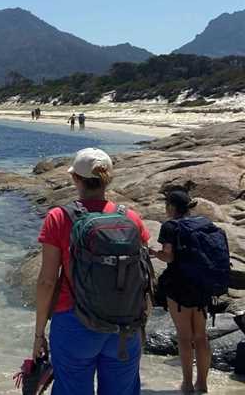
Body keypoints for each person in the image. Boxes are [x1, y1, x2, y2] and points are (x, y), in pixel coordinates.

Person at [33, 148, 151, 395]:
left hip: (74, 322)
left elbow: (46, 281)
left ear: (75, 179)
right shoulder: (130, 217)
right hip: (124, 326)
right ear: (108, 179)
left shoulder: (59, 217)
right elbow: (144, 276)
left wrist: (39, 333)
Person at [152, 189, 211, 393]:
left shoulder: (170, 226)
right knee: (201, 336)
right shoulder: (203, 223)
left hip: (179, 288)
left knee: (184, 337)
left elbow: (168, 257)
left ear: (171, 207)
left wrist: (153, 253)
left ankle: (187, 384)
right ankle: (202, 384)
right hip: (202, 286)